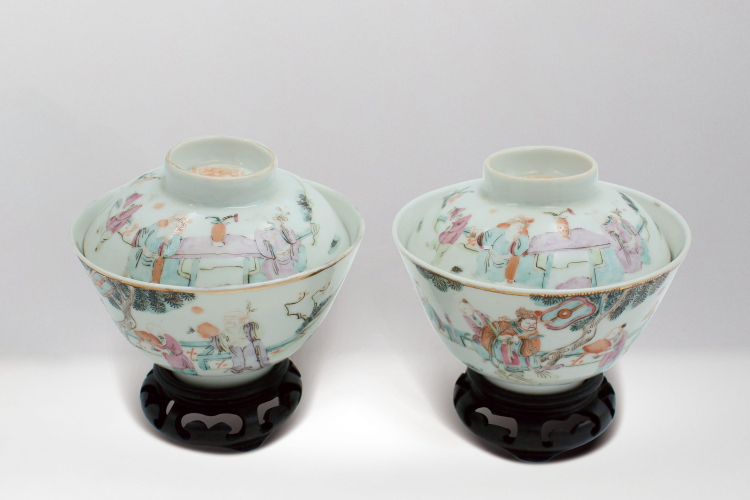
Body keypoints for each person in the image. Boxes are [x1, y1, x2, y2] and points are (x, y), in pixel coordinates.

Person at [475, 216, 534, 284]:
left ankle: (495, 282)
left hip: (503, 260)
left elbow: (521, 248)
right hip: (489, 255)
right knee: (482, 264)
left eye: (520, 227)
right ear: (511, 224)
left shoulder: (521, 238)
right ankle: (479, 276)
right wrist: (480, 236)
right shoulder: (499, 231)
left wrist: (516, 242)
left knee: (497, 274)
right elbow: (486, 237)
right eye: (516, 225)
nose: (517, 227)